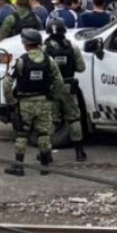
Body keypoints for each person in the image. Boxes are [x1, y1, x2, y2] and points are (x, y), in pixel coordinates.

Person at [2, 29, 63, 176]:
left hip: (25, 103)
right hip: (44, 101)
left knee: (22, 134)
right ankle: (44, 166)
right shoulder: (49, 60)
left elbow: (6, 83)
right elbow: (59, 81)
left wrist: (11, 101)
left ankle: (19, 166)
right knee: (43, 133)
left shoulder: (21, 61)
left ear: (26, 44)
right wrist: (53, 96)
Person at [44, 19, 87, 162]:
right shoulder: (72, 47)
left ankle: (46, 153)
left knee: (52, 120)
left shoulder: (44, 49)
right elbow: (81, 68)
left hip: (53, 87)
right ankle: (79, 152)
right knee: (74, 118)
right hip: (69, 86)